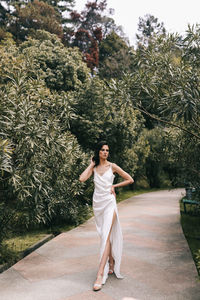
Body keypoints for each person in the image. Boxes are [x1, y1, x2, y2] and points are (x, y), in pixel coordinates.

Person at [79, 141, 134, 291]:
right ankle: (111, 262)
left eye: (107, 150)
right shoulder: (95, 168)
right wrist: (91, 165)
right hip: (97, 205)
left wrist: (114, 186)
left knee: (105, 236)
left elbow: (130, 179)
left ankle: (99, 274)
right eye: (102, 150)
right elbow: (82, 178)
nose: (105, 152)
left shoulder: (112, 166)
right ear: (98, 152)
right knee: (105, 236)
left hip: (110, 203)